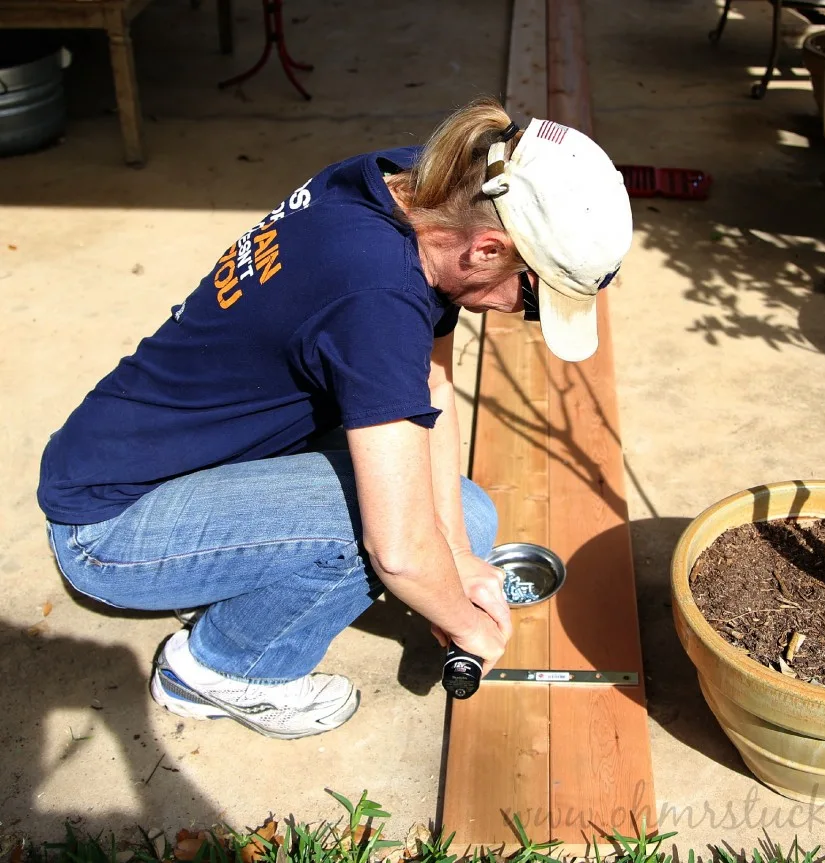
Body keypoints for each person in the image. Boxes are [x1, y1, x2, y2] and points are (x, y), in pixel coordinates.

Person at [37, 98, 633, 740]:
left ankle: (230, 573)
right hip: (112, 531)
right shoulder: (376, 294)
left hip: (137, 460)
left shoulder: (420, 189)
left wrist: (458, 554)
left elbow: (429, 380)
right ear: (489, 248)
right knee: (393, 537)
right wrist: (466, 624)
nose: (521, 316)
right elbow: (399, 551)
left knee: (466, 521)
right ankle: (223, 669)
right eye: (535, 300)